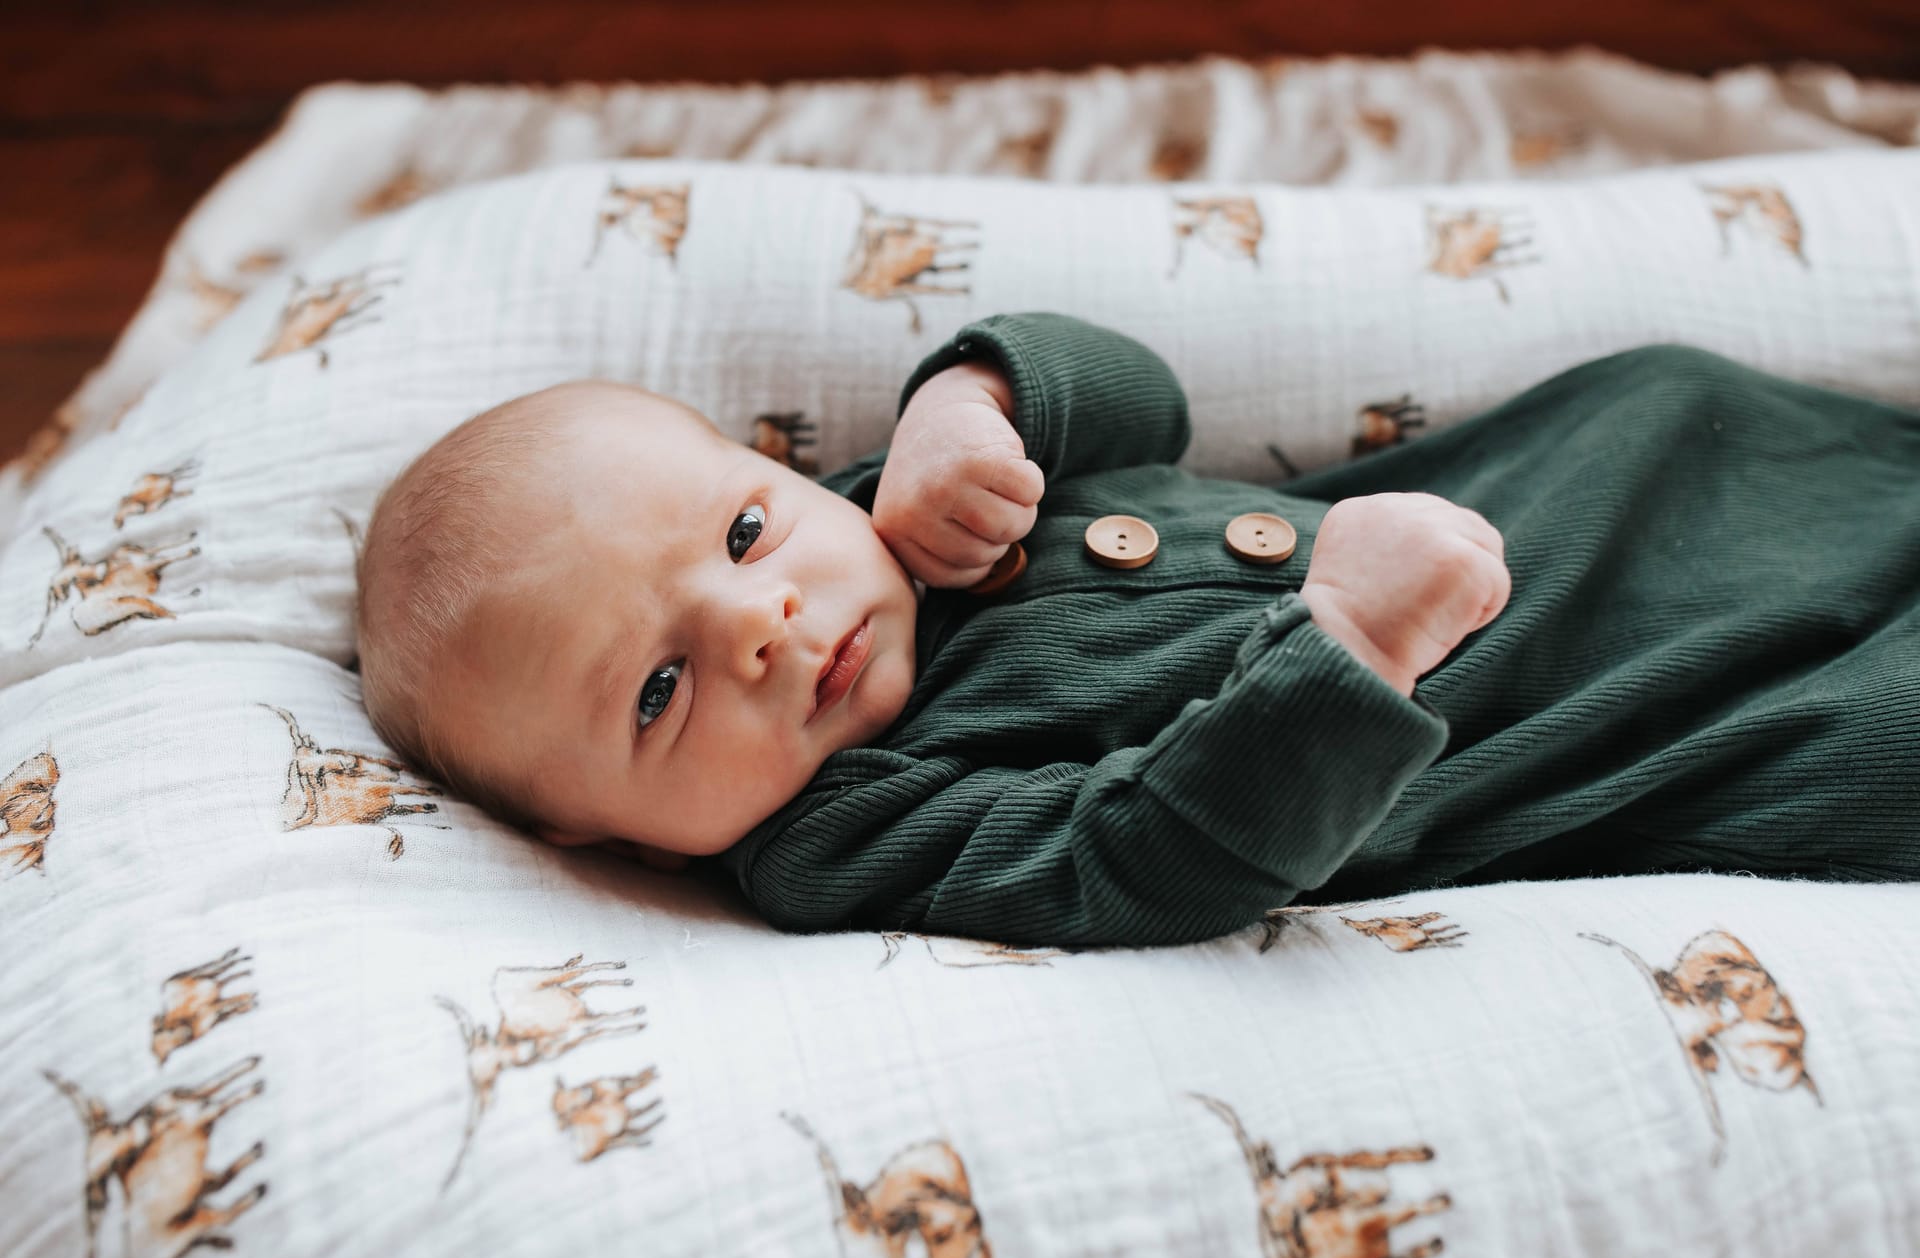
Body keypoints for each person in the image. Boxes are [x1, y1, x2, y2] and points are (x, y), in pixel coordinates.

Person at [354, 313, 1920, 949]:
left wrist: (969, 399)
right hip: (1550, 717)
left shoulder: (892, 508)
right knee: (1866, 746)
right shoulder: (840, 833)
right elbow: (1138, 858)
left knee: (1672, 406)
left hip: (1537, 510)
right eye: (655, 695)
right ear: (613, 850)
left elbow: (1148, 401)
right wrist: (1349, 651)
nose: (760, 621)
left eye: (744, 528)